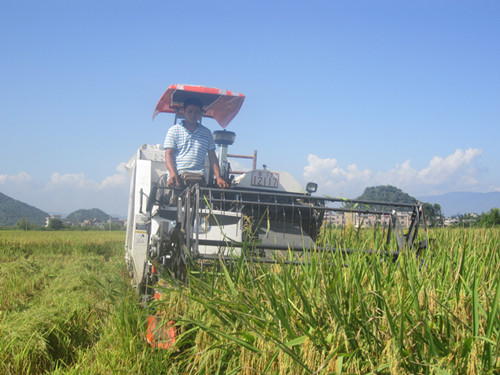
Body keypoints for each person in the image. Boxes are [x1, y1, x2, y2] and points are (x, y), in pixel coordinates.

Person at [164, 97, 229, 189]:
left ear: (200, 114)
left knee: (203, 201)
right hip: (177, 177)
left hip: (199, 178)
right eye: (190, 111)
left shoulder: (207, 133)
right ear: (184, 111)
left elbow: (212, 157)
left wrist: (218, 177)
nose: (193, 115)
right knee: (174, 201)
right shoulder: (174, 130)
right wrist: (172, 173)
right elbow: (168, 153)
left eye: (196, 112)